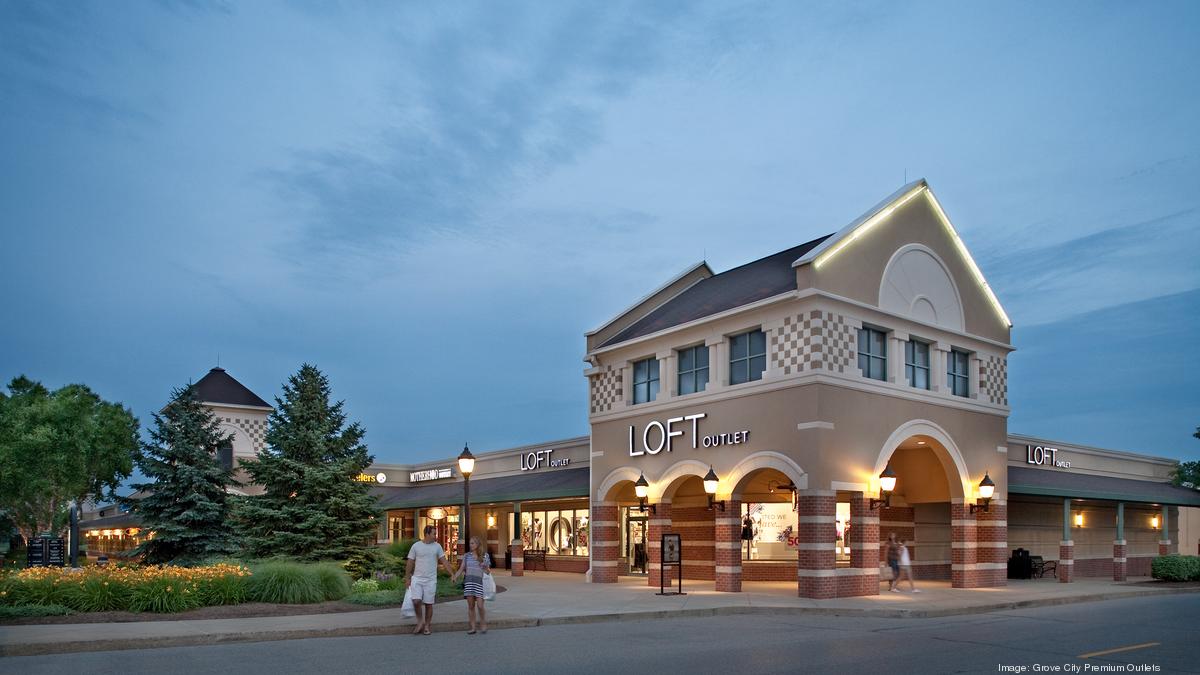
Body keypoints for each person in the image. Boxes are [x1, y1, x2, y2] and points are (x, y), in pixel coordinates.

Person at [406, 524, 456, 635]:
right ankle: (420, 621)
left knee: (429, 604)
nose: (436, 536)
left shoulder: (437, 546)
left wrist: (452, 574)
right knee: (416, 600)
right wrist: (407, 577)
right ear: (427, 534)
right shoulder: (416, 546)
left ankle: (427, 626)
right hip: (417, 579)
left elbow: (444, 561)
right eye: (434, 533)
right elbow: (410, 562)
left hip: (430, 580)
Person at [452, 535, 492, 634]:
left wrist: (484, 566)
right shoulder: (467, 556)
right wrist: (455, 576)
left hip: (479, 583)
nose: (471, 545)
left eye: (473, 543)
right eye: (470, 543)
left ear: (478, 544)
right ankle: (473, 627)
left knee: (480, 606)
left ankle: (483, 623)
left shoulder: (484, 556)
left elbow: (488, 571)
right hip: (469, 583)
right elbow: (461, 569)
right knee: (471, 606)